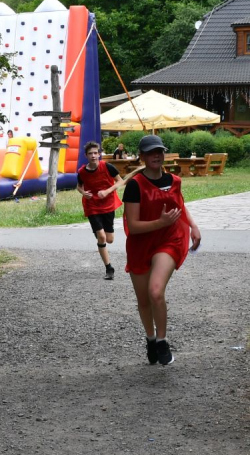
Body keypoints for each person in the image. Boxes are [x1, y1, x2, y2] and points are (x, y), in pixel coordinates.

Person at [122, 134, 201, 366]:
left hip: (169, 240)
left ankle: (162, 341)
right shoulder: (135, 185)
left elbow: (180, 205)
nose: (156, 155)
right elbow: (133, 227)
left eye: (159, 151)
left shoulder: (174, 181)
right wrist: (160, 222)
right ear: (142, 156)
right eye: (150, 152)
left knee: (155, 291)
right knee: (144, 300)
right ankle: (150, 339)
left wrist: (193, 226)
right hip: (141, 244)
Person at [77, 140, 138, 280]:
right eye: (90, 153)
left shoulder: (108, 167)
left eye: (95, 153)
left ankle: (100, 236)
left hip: (108, 205)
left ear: (99, 154)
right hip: (92, 206)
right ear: (86, 155)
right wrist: (83, 193)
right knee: (102, 237)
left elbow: (121, 181)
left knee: (109, 239)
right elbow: (79, 186)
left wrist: (107, 191)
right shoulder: (82, 172)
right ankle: (109, 268)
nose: (93, 156)